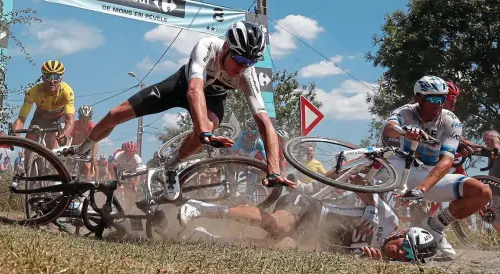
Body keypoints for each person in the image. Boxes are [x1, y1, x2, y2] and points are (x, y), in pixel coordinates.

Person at [61, 21, 295, 202]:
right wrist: (203, 131)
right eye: (240, 58)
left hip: (213, 99)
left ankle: (171, 167)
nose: (243, 66)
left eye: (250, 61)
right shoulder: (207, 47)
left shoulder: (246, 74)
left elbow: (265, 123)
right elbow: (194, 90)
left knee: (209, 126)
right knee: (115, 114)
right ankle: (80, 149)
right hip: (180, 86)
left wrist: (273, 169)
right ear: (226, 48)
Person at [178, 176, 438, 263]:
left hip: (311, 235)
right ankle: (202, 208)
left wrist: (369, 262)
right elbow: (358, 181)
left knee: (283, 249)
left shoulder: (381, 260)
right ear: (402, 234)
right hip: (312, 207)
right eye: (404, 247)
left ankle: (208, 237)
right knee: (279, 224)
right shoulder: (389, 221)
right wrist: (371, 207)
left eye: (407, 259)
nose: (399, 255)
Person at [380, 75, 492, 258]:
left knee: (483, 192)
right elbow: (389, 128)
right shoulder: (406, 111)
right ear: (419, 98)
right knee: (368, 160)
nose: (439, 104)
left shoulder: (451, 120)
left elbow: (447, 161)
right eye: (433, 99)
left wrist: (422, 189)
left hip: (428, 174)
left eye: (442, 98)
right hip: (402, 167)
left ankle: (435, 226)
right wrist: (405, 131)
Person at [12, 60, 75, 149]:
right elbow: (21, 118)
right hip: (40, 117)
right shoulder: (33, 92)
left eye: (56, 76)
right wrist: (14, 135)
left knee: (52, 138)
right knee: (29, 143)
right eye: (48, 76)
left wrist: (64, 133)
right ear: (43, 78)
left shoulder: (67, 92)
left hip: (58, 118)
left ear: (61, 79)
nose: (52, 81)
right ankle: (28, 161)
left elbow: (69, 120)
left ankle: (50, 160)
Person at [69, 105, 97, 180]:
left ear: (90, 119)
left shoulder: (93, 127)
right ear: (79, 118)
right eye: (83, 119)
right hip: (74, 148)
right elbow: (68, 139)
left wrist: (93, 156)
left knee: (87, 167)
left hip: (87, 149)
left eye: (87, 120)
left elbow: (95, 143)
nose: (85, 122)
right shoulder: (74, 125)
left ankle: (89, 187)